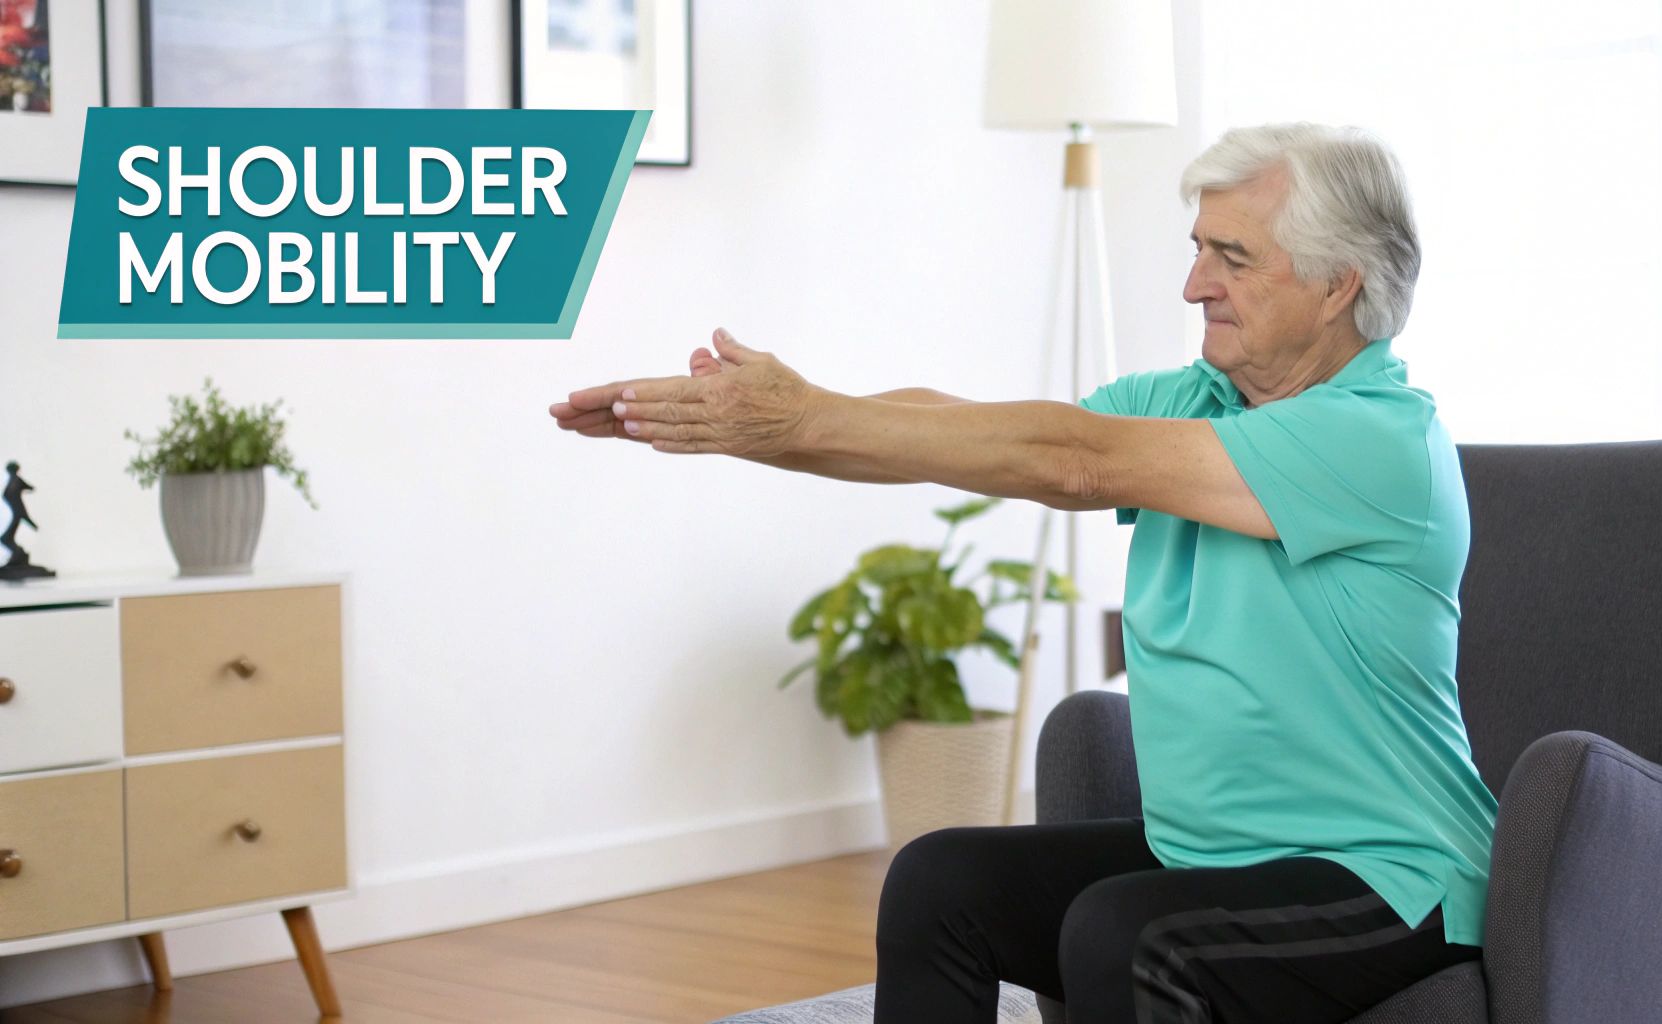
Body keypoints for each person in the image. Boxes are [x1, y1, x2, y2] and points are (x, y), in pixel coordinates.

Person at [549, 122, 1498, 1023]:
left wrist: (799, 418)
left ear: (1341, 285)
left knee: (1129, 938)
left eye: (1233, 257)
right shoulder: (1198, 403)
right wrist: (753, 427)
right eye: (1198, 247)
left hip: (1386, 878)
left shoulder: (1378, 440)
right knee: (938, 884)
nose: (1193, 284)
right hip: (1211, 859)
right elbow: (970, 435)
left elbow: (1071, 457)